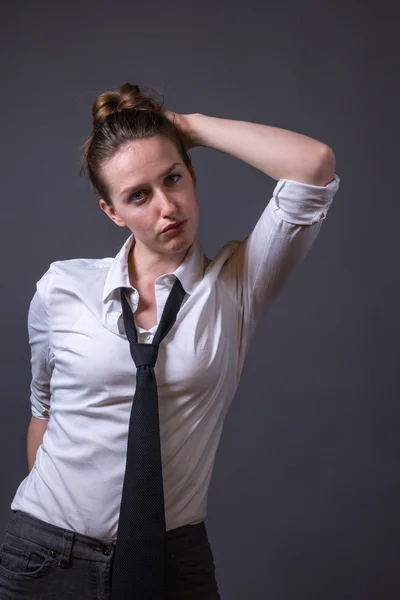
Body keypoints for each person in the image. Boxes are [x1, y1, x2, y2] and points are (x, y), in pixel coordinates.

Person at [0, 82, 340, 599]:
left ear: (191, 174)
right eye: (138, 195)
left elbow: (312, 165)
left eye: (173, 178)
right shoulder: (61, 288)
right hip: (46, 557)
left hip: (172, 562)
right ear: (112, 212)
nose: (166, 206)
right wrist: (63, 532)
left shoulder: (237, 285)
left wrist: (187, 127)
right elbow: (43, 410)